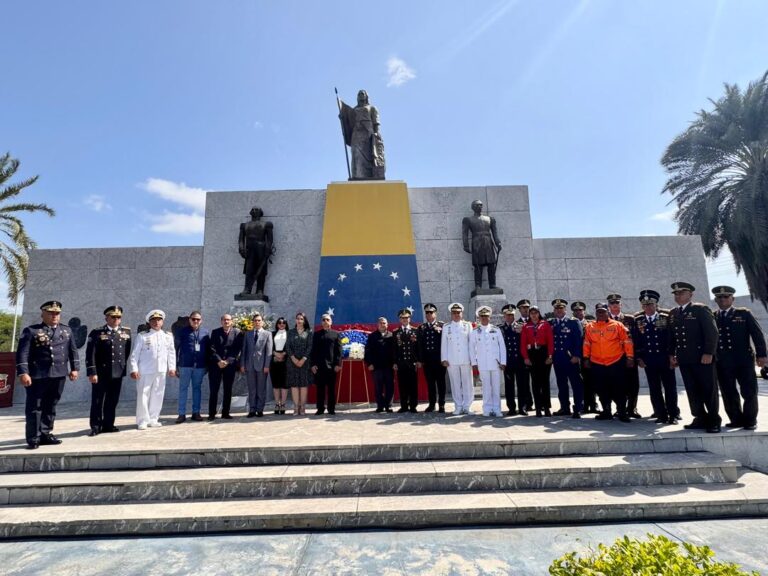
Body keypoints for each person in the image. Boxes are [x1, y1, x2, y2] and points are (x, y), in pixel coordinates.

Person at [16, 300, 80, 449]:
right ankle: (33, 437)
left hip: (59, 374)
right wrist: (23, 373)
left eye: (57, 313)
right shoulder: (31, 331)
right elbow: (22, 354)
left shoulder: (66, 331)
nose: (54, 316)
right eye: (51, 313)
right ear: (43, 314)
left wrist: (75, 368)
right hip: (38, 375)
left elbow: (73, 351)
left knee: (51, 405)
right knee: (35, 407)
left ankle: (46, 433)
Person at [668, 282, 721, 433]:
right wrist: (672, 354)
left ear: (690, 294)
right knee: (692, 390)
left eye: (682, 293)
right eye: (676, 294)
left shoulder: (700, 309)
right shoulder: (673, 313)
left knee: (708, 389)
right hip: (685, 358)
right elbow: (672, 336)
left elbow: (712, 332)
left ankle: (713, 420)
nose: (678, 296)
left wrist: (709, 352)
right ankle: (699, 417)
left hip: (702, 357)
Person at [711, 285, 766, 431]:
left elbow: (757, 335)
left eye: (726, 297)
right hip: (722, 362)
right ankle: (736, 419)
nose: (722, 300)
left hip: (744, 360)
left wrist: (762, 355)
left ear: (732, 299)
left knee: (749, 391)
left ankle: (750, 420)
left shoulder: (744, 314)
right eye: (719, 297)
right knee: (728, 392)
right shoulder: (712, 316)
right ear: (716, 299)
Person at [632, 290, 680, 425]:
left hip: (665, 358)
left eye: (651, 304)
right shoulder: (639, 321)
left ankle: (673, 414)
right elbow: (637, 341)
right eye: (645, 305)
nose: (648, 307)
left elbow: (671, 338)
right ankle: (661, 414)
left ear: (656, 305)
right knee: (654, 389)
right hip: (649, 360)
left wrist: (672, 355)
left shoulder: (665, 318)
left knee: (670, 388)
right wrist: (639, 358)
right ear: (642, 307)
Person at [85, 305, 132, 435]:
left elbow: (126, 352)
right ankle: (95, 426)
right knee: (97, 400)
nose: (116, 319)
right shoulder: (97, 332)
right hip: (101, 373)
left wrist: (121, 367)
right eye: (113, 317)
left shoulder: (126, 332)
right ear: (107, 318)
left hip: (117, 372)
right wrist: (92, 372)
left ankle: (108, 424)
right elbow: (91, 354)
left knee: (112, 400)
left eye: (119, 317)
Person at [583, 303, 634, 422]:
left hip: (615, 362)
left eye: (603, 312)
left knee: (619, 388)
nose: (601, 314)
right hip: (597, 363)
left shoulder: (618, 325)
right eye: (598, 312)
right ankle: (606, 411)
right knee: (601, 388)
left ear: (607, 312)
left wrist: (630, 357)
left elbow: (627, 341)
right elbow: (587, 343)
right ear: (596, 313)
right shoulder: (590, 327)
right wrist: (586, 358)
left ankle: (622, 412)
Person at [129, 309, 176, 430]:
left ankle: (154, 418)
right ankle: (142, 420)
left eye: (159, 320)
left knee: (158, 394)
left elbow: (171, 353)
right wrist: (134, 369)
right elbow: (135, 354)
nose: (156, 322)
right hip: (145, 370)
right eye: (153, 320)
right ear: (149, 322)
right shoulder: (143, 336)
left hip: (161, 370)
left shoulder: (168, 336)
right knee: (143, 395)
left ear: (163, 321)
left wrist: (172, 367)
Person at [338, 89, 385, 180]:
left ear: (366, 96)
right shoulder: (354, 109)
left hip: (368, 133)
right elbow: (348, 121)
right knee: (355, 152)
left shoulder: (372, 108)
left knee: (370, 155)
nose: (361, 95)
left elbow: (376, 122)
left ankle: (370, 175)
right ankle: (357, 176)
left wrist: (377, 134)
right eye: (359, 94)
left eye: (362, 93)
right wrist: (342, 118)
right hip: (356, 133)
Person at [607, 294, 641, 418]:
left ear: (621, 305)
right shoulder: (605, 319)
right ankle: (619, 408)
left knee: (633, 384)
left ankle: (632, 408)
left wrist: (635, 357)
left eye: (617, 304)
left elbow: (636, 338)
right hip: (613, 358)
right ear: (609, 306)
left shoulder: (630, 319)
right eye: (612, 304)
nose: (614, 306)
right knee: (616, 384)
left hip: (629, 357)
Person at [549, 299, 584, 418]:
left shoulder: (573, 322)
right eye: (557, 309)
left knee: (576, 384)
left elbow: (579, 340)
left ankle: (578, 408)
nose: (559, 311)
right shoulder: (551, 323)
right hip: (558, 358)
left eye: (561, 308)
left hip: (570, 358)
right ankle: (564, 407)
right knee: (561, 384)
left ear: (565, 310)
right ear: (554, 310)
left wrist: (577, 355)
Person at [174, 311, 210, 423]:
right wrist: (175, 365)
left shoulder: (205, 332)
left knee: (197, 389)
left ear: (201, 320)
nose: (195, 321)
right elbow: (176, 348)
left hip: (199, 366)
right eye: (193, 319)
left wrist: (207, 365)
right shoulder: (182, 332)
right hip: (185, 365)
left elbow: (208, 350)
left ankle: (196, 412)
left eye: (198, 319)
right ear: (189, 320)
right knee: (183, 389)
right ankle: (181, 414)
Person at [470, 306, 506, 417]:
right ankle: (487, 408)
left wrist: (503, 361)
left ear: (489, 317)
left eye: (486, 316)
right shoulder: (475, 331)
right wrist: (474, 363)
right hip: (483, 363)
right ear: (479, 318)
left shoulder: (496, 329)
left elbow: (502, 347)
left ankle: (497, 408)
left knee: (496, 387)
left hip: (495, 363)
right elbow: (471, 348)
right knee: (486, 387)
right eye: (482, 316)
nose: (484, 318)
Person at [441, 303, 474, 415]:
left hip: (466, 358)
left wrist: (473, 359)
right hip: (452, 359)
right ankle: (458, 406)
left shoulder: (467, 325)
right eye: (454, 313)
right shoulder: (446, 327)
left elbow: (471, 343)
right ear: (451, 314)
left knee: (467, 383)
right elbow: (444, 344)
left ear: (462, 313)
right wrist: (444, 358)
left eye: (458, 312)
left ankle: (467, 406)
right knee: (455, 384)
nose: (456, 314)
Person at [520, 305, 553, 417]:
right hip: (532, 354)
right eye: (532, 313)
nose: (534, 315)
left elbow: (550, 341)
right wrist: (526, 358)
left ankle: (547, 408)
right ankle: (538, 408)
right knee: (535, 383)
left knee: (545, 383)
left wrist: (550, 356)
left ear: (539, 314)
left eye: (536, 313)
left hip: (543, 353)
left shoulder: (545, 324)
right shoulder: (526, 326)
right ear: (529, 315)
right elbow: (523, 344)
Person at [462, 200, 502, 291]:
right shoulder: (468, 220)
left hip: (488, 242)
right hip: (477, 243)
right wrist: (466, 245)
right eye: (477, 205)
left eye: (481, 205)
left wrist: (497, 242)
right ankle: (478, 286)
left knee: (491, 264)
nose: (480, 207)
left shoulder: (490, 219)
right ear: (473, 207)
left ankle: (492, 284)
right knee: (478, 265)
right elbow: (465, 234)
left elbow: (495, 233)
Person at [208, 313, 242, 420]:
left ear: (232, 321)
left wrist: (227, 361)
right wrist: (219, 360)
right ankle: (212, 413)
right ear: (221, 321)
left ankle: (225, 412)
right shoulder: (215, 332)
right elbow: (212, 348)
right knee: (214, 390)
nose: (226, 322)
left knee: (228, 390)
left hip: (229, 365)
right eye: (224, 320)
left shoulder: (237, 333)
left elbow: (236, 349)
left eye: (228, 320)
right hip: (216, 365)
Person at [240, 312, 273, 417]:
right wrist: (242, 364)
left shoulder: (267, 334)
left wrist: (267, 365)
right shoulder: (247, 334)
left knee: (261, 389)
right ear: (252, 322)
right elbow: (244, 350)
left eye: (259, 320)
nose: (257, 322)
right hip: (249, 365)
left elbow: (268, 352)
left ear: (262, 322)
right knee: (251, 389)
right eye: (255, 320)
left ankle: (260, 409)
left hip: (262, 366)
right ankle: (252, 409)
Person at [238, 206, 274, 299]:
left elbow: (270, 239)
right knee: (249, 270)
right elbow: (241, 239)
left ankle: (260, 289)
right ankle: (247, 289)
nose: (254, 211)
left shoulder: (266, 224)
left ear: (260, 212)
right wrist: (241, 249)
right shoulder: (245, 225)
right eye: (253, 209)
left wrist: (267, 249)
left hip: (261, 249)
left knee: (261, 271)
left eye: (256, 210)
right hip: (249, 249)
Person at [310, 313, 343, 415]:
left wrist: (338, 364)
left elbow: (339, 351)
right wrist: (313, 364)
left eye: (327, 320)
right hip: (319, 367)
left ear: (331, 322)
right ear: (321, 322)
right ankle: (320, 408)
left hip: (332, 367)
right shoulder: (316, 334)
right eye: (323, 320)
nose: (325, 321)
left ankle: (331, 408)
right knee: (320, 389)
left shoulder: (336, 334)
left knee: (331, 389)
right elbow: (313, 351)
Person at [416, 303, 446, 413]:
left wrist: (445, 358)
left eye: (431, 312)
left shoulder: (442, 326)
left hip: (439, 360)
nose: (428, 314)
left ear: (435, 313)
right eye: (427, 313)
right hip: (427, 361)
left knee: (441, 383)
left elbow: (445, 343)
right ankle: (432, 404)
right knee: (430, 384)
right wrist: (420, 360)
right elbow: (419, 345)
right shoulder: (422, 327)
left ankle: (441, 404)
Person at [365, 317, 396, 413]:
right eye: (381, 323)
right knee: (378, 387)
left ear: (387, 324)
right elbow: (367, 351)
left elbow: (395, 351)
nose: (382, 325)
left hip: (388, 366)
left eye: (384, 323)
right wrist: (369, 363)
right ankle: (380, 405)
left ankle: (388, 405)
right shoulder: (372, 336)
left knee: (389, 386)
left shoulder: (391, 335)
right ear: (377, 324)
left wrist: (395, 363)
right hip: (376, 366)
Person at [571, 301, 597, 413]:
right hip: (576, 356)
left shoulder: (591, 323)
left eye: (580, 310)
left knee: (591, 380)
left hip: (589, 357)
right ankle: (583, 405)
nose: (578, 313)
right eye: (576, 311)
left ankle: (593, 404)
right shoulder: (570, 323)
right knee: (579, 382)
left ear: (584, 312)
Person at [393, 308, 419, 413]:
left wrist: (418, 360)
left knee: (413, 385)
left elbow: (418, 347)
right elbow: (394, 349)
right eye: (402, 318)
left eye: (406, 318)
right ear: (400, 319)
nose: (405, 319)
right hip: (401, 362)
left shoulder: (415, 330)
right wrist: (394, 362)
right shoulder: (396, 332)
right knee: (402, 385)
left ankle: (413, 406)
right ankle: (404, 405)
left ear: (410, 318)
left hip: (412, 362)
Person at [286, 312, 312, 415]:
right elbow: (288, 346)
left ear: (304, 321)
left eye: (301, 319)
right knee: (294, 385)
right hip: (292, 362)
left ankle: (302, 407)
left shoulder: (308, 332)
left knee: (303, 385)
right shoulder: (290, 332)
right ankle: (296, 407)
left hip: (304, 363)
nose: (299, 320)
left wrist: (303, 359)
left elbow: (309, 347)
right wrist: (293, 358)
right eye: (298, 318)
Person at [514, 299, 534, 411]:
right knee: (523, 382)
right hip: (523, 357)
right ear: (519, 310)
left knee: (537, 381)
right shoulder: (516, 324)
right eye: (523, 308)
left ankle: (540, 404)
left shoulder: (536, 322)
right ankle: (526, 404)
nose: (525, 309)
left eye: (527, 307)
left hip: (535, 356)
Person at [269, 317, 289, 415]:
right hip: (274, 360)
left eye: (284, 323)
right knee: (276, 384)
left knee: (284, 384)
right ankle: (277, 404)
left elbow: (290, 346)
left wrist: (283, 354)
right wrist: (275, 354)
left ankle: (283, 404)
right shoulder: (272, 334)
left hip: (285, 361)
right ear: (277, 324)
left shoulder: (289, 334)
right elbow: (269, 346)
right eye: (280, 322)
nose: (281, 324)